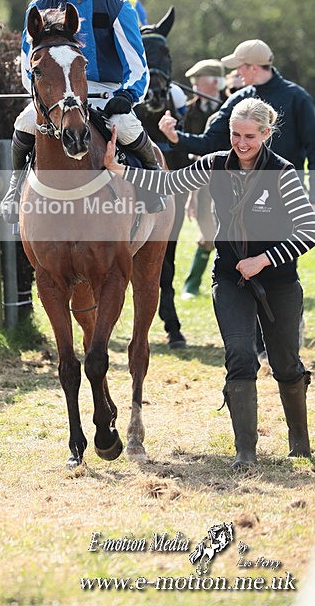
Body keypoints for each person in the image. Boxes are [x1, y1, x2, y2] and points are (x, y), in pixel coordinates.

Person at [104, 98, 315, 469]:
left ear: (266, 134)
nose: (241, 143)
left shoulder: (282, 173)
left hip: (279, 281)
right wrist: (119, 170)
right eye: (235, 134)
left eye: (250, 136)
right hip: (230, 279)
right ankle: (245, 453)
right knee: (240, 355)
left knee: (285, 364)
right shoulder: (214, 164)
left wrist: (263, 260)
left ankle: (299, 443)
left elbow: (308, 230)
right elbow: (168, 181)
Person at [0, 0, 160, 222]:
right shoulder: (39, 5)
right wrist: (46, 97)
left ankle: (153, 179)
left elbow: (138, 66)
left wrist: (127, 96)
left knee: (126, 126)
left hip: (107, 93)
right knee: (25, 121)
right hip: (56, 96)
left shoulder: (117, 5)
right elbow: (28, 65)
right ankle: (15, 188)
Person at [158, 39, 315, 204]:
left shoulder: (298, 98)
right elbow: (210, 143)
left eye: (239, 67)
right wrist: (175, 137)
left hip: (286, 197)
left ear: (253, 68)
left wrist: (313, 199)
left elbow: (313, 149)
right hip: (243, 200)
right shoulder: (238, 99)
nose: (237, 72)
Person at [180, 59, 227, 299]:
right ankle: (192, 284)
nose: (194, 86)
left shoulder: (232, 106)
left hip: (232, 181)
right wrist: (193, 195)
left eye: (198, 80)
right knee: (208, 233)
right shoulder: (188, 111)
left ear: (214, 82)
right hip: (203, 181)